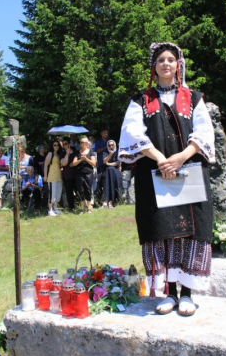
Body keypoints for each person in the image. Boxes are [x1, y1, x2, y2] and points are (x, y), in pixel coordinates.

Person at [118, 42, 215, 316]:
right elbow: (132, 134)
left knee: (191, 229)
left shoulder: (194, 98)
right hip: (154, 175)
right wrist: (161, 159)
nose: (166, 64)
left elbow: (204, 133)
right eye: (161, 60)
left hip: (189, 172)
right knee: (162, 230)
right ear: (154, 66)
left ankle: (188, 294)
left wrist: (181, 157)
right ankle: (169, 293)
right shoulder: (140, 101)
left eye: (171, 59)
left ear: (178, 65)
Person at [72, 137, 97, 214]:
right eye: (81, 143)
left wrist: (86, 159)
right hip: (79, 174)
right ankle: (82, 209)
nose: (82, 144)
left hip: (88, 173)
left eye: (84, 143)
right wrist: (81, 159)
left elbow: (93, 163)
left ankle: (89, 207)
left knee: (88, 190)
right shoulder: (77, 152)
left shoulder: (91, 152)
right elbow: (74, 163)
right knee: (80, 191)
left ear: (87, 144)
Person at [44, 139, 64, 216]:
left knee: (58, 193)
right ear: (52, 146)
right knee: (52, 194)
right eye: (55, 145)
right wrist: (45, 176)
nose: (56, 146)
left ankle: (55, 208)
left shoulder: (59, 154)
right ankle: (50, 209)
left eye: (58, 145)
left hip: (59, 176)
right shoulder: (50, 154)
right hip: (52, 176)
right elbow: (46, 165)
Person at [100, 140, 123, 208]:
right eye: (109, 145)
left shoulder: (118, 152)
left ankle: (111, 201)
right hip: (106, 171)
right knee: (106, 184)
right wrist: (110, 155)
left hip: (115, 171)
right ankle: (105, 201)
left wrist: (109, 164)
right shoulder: (105, 152)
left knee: (112, 172)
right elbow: (104, 161)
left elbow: (118, 162)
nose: (111, 146)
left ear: (114, 145)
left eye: (112, 145)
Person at [60, 137, 78, 211]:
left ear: (69, 144)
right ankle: (71, 207)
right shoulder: (62, 152)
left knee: (78, 190)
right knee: (69, 192)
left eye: (66, 143)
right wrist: (67, 154)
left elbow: (77, 158)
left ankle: (81, 205)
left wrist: (73, 163)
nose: (64, 145)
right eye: (63, 144)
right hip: (67, 175)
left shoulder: (74, 150)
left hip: (76, 174)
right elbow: (64, 163)